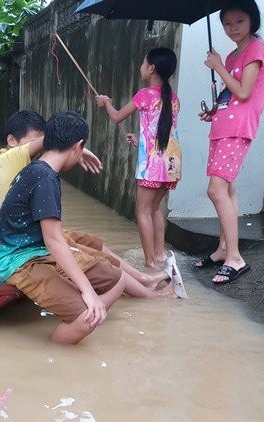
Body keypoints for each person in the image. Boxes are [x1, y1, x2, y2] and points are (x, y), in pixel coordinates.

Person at [0, 111, 180, 345]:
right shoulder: (44, 178)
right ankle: (53, 356)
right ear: (78, 146)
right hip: (18, 261)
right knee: (87, 317)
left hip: (37, 251)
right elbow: (54, 240)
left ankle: (134, 293)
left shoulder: (38, 169)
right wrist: (88, 293)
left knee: (114, 276)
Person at [0, 110, 179, 292]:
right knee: (96, 261)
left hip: (38, 232)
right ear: (11, 141)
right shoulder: (12, 158)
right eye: (36, 141)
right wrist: (75, 147)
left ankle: (141, 278)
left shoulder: (10, 163)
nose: (42, 146)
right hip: (29, 243)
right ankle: (145, 289)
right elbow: (54, 138)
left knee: (94, 243)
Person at [196, 0, 264, 285]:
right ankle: (224, 249)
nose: (232, 28)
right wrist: (213, 110)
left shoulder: (255, 49)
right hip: (222, 125)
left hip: (238, 128)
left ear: (252, 20)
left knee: (216, 190)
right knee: (228, 189)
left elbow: (244, 90)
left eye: (239, 21)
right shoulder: (232, 56)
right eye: (226, 23)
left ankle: (235, 258)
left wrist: (217, 65)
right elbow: (229, 95)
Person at [96, 47, 181, 270]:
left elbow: (116, 117)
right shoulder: (173, 98)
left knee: (143, 210)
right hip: (171, 163)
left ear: (152, 68)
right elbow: (160, 131)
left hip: (152, 165)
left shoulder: (144, 95)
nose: (141, 67)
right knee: (155, 209)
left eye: (144, 63)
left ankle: (150, 263)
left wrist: (106, 103)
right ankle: (160, 254)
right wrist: (139, 140)